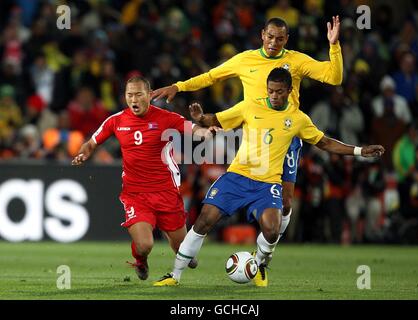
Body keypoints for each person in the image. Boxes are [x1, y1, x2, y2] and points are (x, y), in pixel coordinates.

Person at [153, 68, 384, 287]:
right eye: (270, 90)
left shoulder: (298, 119)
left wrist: (360, 151)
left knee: (272, 229)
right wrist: (201, 117)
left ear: (290, 91)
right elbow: (218, 119)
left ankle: (261, 263)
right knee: (204, 220)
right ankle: (175, 274)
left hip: (267, 184)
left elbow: (324, 142)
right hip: (237, 176)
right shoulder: (250, 107)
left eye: (279, 91)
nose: (274, 95)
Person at [152, 16, 343, 244]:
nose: (274, 42)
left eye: (280, 39)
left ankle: (268, 250)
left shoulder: (296, 61)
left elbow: (334, 77)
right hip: (254, 135)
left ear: (287, 39)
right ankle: (256, 249)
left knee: (287, 200)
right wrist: (179, 86)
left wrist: (333, 45)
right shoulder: (245, 60)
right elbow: (211, 76)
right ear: (262, 34)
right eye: (270, 37)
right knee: (245, 187)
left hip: (287, 132)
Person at [71, 76, 213, 280]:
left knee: (187, 255)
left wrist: (206, 133)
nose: (134, 99)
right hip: (135, 194)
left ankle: (181, 250)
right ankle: (140, 260)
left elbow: (193, 129)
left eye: (138, 94)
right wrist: (84, 153)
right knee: (145, 245)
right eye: (130, 95)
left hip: (166, 192)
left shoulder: (166, 118)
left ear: (150, 94)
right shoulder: (116, 120)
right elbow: (92, 142)